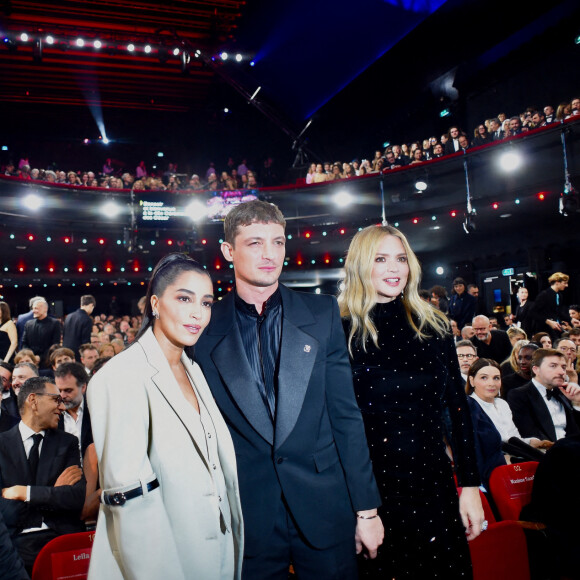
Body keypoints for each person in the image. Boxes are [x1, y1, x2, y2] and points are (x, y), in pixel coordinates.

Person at [195, 201, 383, 579]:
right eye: (255, 243)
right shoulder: (202, 328)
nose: (270, 255)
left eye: (278, 242)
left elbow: (345, 416)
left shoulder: (322, 313)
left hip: (325, 508)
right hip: (247, 516)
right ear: (228, 251)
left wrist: (368, 511)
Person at [338, 224, 484, 578]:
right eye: (381, 259)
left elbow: (457, 409)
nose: (394, 268)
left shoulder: (432, 324)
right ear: (361, 265)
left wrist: (468, 486)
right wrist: (364, 511)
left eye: (401, 259)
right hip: (372, 495)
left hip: (434, 487)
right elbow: (336, 423)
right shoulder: (339, 328)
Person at [87, 253, 243, 580]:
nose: (197, 313)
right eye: (184, 298)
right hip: (160, 564)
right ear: (155, 303)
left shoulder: (196, 371)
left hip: (215, 558)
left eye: (206, 303)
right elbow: (129, 505)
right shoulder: (121, 376)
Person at [0, 377, 85, 574]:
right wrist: (53, 492)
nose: (62, 407)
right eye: (56, 399)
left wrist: (25, 493)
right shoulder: (1, 445)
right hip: (12, 547)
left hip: (60, 542)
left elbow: (76, 497)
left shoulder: (68, 443)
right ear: (33, 400)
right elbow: (4, 512)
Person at [507, 348, 580, 442]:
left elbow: (576, 431)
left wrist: (577, 403)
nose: (562, 372)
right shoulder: (518, 395)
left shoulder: (564, 393)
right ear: (536, 370)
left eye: (563, 367)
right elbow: (530, 435)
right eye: (553, 366)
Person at [63, 295, 96, 360]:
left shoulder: (69, 316)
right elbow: (85, 342)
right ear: (91, 305)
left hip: (65, 352)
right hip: (78, 355)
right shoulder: (87, 319)